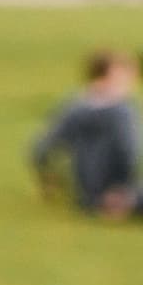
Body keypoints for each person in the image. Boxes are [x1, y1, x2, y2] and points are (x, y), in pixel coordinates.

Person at [30, 50, 141, 220]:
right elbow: (127, 151)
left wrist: (48, 180)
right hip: (116, 191)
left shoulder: (75, 105)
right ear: (109, 75)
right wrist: (120, 190)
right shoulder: (121, 111)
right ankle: (119, 204)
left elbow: (42, 147)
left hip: (86, 194)